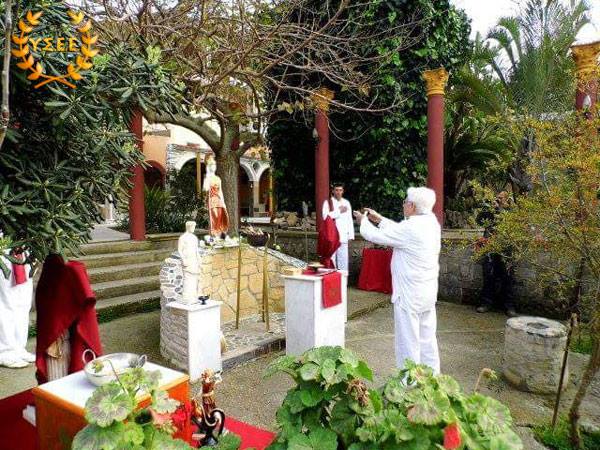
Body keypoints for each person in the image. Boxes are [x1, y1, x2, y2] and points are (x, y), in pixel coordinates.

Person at [354, 187, 441, 374]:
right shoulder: (431, 222)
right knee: (427, 338)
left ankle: (408, 380)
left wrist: (364, 222)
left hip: (409, 294)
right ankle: (433, 377)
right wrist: (380, 220)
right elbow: (399, 232)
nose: (403, 205)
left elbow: (375, 236)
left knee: (408, 341)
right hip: (427, 291)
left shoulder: (411, 228)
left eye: (405, 202)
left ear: (412, 206)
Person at [475, 191, 517, 317]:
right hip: (490, 247)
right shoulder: (491, 210)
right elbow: (479, 221)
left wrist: (499, 209)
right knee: (488, 275)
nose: (498, 200)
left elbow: (511, 224)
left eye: (501, 198)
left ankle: (509, 306)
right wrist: (488, 209)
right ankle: (486, 303)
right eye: (497, 198)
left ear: (507, 199)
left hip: (506, 247)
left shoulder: (511, 211)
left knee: (508, 277)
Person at [322, 183, 354, 272]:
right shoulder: (328, 203)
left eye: (340, 190)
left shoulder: (346, 203)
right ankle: (332, 278)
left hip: (343, 235)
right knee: (331, 259)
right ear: (333, 191)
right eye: (336, 190)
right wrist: (339, 211)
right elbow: (325, 217)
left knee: (343, 260)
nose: (338, 192)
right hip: (331, 236)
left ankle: (343, 279)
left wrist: (351, 235)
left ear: (343, 191)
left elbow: (349, 219)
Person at [203, 156, 229, 238]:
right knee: (213, 221)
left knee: (220, 220)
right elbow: (205, 189)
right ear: (208, 166)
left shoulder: (218, 179)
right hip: (211, 201)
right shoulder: (207, 178)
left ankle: (219, 237)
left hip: (219, 201)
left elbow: (220, 191)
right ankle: (213, 238)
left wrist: (224, 203)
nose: (213, 166)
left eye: (214, 164)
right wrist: (207, 177)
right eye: (211, 165)